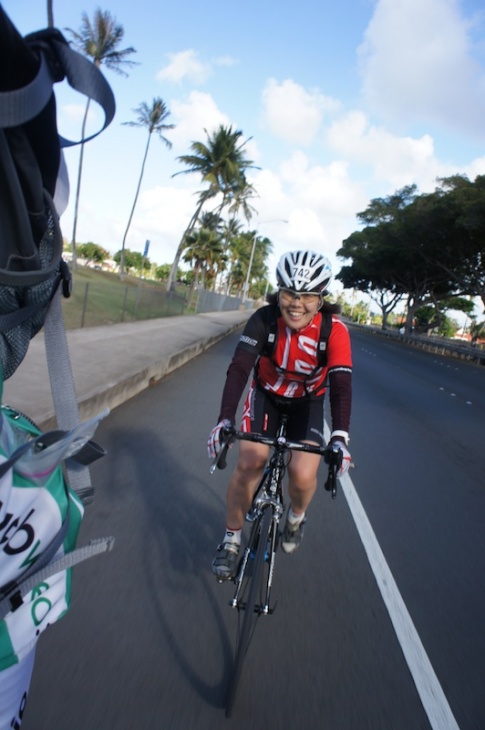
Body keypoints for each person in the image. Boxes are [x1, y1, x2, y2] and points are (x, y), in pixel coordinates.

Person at [208, 249, 352, 581]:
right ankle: (231, 541)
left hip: (308, 404)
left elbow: (341, 383)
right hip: (266, 397)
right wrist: (224, 420)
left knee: (302, 474)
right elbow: (240, 368)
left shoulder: (335, 331)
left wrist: (340, 437)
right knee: (249, 464)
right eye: (289, 292)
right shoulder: (263, 319)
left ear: (320, 298)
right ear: (279, 292)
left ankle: (296, 519)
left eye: (307, 296)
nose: (296, 303)